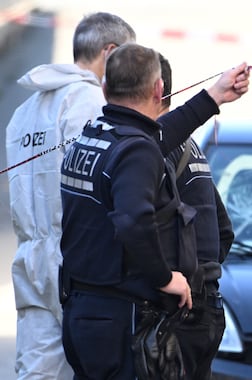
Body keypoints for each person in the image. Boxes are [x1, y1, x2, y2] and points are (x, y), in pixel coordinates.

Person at [5, 11, 249, 379]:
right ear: (157, 90)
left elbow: (154, 136)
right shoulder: (132, 148)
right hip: (117, 312)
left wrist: (212, 97)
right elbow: (134, 219)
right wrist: (166, 277)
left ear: (105, 90)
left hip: (76, 299)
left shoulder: (91, 134)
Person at [5, 12, 136, 379]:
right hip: (76, 259)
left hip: (30, 258)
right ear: (109, 53)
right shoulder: (90, 102)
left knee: (37, 370)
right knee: (98, 366)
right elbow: (98, 184)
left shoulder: (24, 110)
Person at [159, 53, 234, 380]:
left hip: (179, 310)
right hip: (207, 305)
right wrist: (204, 276)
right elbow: (223, 230)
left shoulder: (151, 148)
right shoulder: (189, 146)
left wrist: (178, 280)